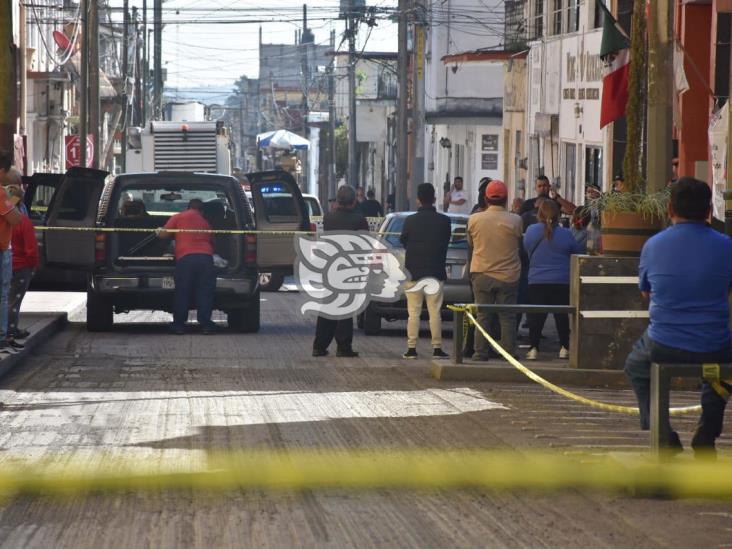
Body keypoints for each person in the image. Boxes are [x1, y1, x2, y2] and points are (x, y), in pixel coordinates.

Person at [625, 177, 732, 457]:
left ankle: (663, 434)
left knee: (636, 366)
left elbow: (646, 294)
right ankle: (706, 435)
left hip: (664, 343)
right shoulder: (727, 246)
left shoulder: (653, 246)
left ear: (670, 208)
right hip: (715, 344)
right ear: (709, 210)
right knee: (722, 374)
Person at [467, 180, 523, 360]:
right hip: (508, 275)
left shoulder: (474, 219)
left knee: (483, 315)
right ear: (506, 199)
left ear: (486, 198)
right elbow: (519, 243)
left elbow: (471, 244)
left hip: (481, 272)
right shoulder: (516, 220)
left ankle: (480, 353)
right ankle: (508, 354)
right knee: (507, 317)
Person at [522, 200, 585, 360]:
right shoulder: (566, 233)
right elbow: (577, 251)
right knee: (561, 316)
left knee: (536, 316)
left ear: (539, 214)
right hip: (561, 280)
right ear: (558, 215)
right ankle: (564, 347)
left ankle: (533, 348)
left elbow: (526, 248)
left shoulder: (531, 230)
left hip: (537, 280)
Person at [312, 185, 368, 358]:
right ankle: (343, 347)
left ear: (337, 201)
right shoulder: (360, 220)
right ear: (353, 201)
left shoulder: (328, 218)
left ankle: (319, 346)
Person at [399, 183, 451, 359]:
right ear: (434, 198)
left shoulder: (410, 220)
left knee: (413, 312)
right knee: (435, 312)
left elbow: (403, 241)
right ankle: (437, 348)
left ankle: (411, 348)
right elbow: (446, 241)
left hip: (413, 272)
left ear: (418, 200)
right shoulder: (444, 221)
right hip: (435, 272)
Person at [157, 198, 216, 335]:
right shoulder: (205, 222)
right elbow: (213, 241)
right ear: (202, 210)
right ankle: (206, 325)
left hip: (186, 258)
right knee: (205, 291)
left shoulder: (179, 216)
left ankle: (178, 325)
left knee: (183, 291)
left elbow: (164, 234)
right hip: (206, 259)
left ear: (188, 207)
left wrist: (158, 231)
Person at [6, 185, 38, 346]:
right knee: (13, 302)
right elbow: (31, 248)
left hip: (6, 265)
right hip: (20, 267)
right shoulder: (23, 222)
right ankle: (9, 332)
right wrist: (33, 265)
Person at [0, 153, 23, 355]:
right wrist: (15, 197)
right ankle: (2, 336)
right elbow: (16, 219)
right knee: (3, 293)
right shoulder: (1, 194)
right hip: (1, 248)